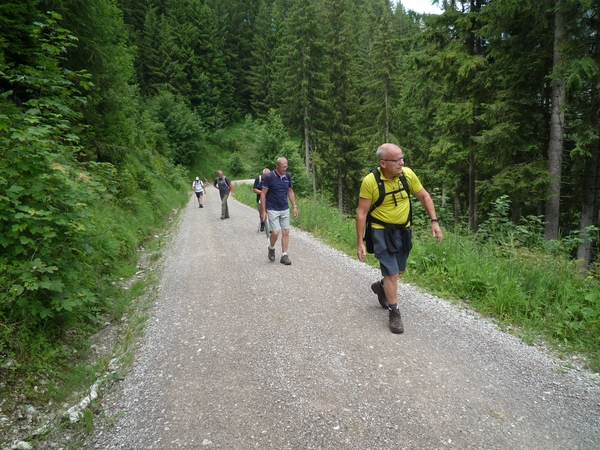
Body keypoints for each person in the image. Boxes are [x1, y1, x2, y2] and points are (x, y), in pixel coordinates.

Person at [356, 143, 443, 334]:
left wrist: (434, 221)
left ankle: (381, 287)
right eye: (397, 160)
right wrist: (360, 242)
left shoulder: (407, 175)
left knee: (398, 272)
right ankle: (394, 311)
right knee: (392, 273)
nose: (401, 163)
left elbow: (424, 196)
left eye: (402, 158)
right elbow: (362, 213)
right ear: (383, 163)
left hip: (403, 231)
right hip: (379, 231)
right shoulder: (370, 181)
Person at [261, 157, 298, 265]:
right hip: (272, 208)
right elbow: (263, 194)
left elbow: (290, 191)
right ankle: (271, 247)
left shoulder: (288, 176)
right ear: (277, 166)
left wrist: (294, 206)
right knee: (276, 232)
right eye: (283, 166)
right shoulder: (270, 177)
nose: (285, 168)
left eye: (286, 166)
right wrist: (264, 211)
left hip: (284, 208)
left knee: (286, 231)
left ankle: (284, 255)